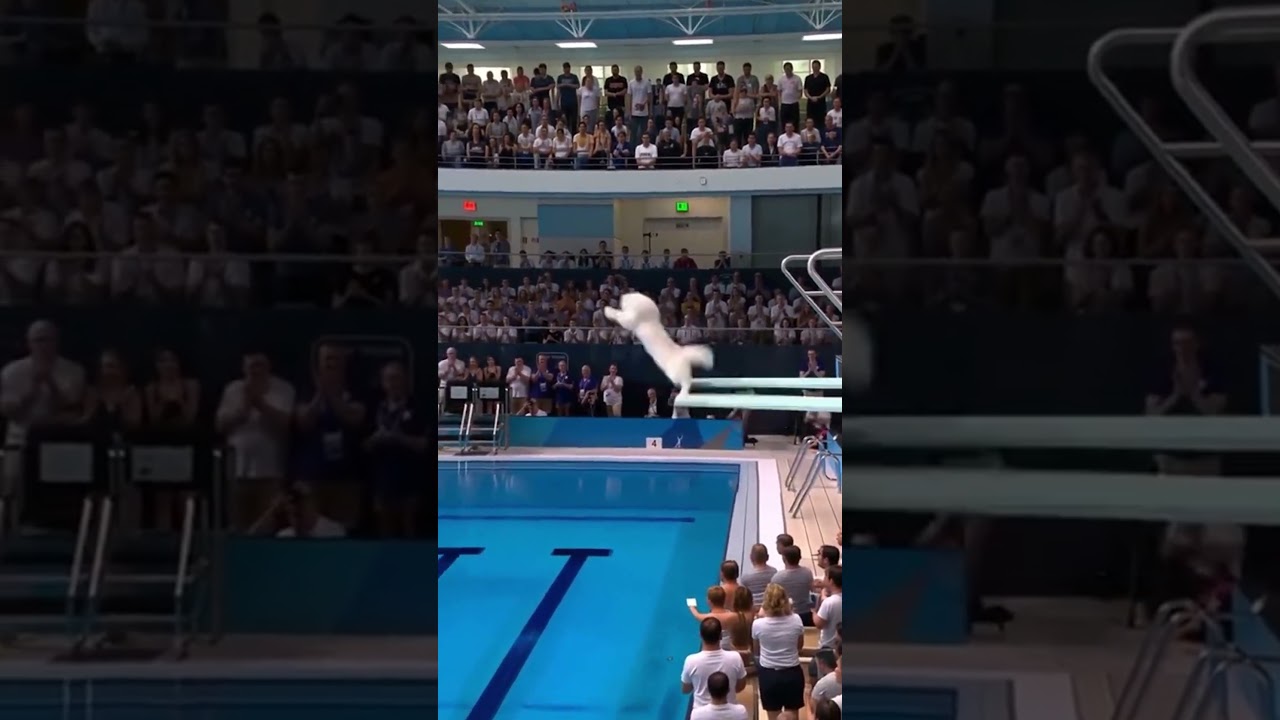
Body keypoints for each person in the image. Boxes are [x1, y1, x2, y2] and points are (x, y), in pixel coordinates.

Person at [752, 583, 806, 720]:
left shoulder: (758, 624)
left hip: (769, 676)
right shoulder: (796, 620)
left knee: (773, 717)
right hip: (792, 674)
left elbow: (756, 650)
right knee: (792, 716)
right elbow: (799, 646)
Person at [681, 617, 748, 709]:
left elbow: (686, 689)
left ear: (700, 636)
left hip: (700, 713)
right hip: (729, 711)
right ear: (720, 636)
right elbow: (740, 686)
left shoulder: (691, 661)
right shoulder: (735, 657)